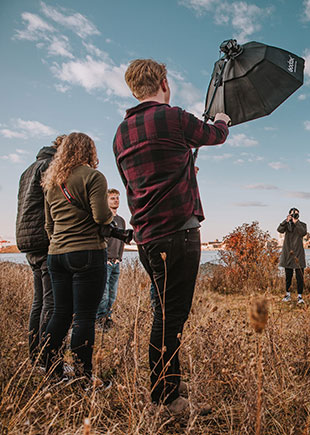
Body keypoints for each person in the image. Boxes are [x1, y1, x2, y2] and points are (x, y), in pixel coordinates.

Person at [114, 58, 230, 414]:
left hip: (147, 236)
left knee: (165, 310)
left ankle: (169, 381)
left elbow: (136, 184)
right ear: (164, 82)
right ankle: (166, 399)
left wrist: (181, 165)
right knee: (170, 316)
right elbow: (216, 135)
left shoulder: (121, 133)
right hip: (178, 232)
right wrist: (223, 119)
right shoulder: (174, 117)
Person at [41, 132, 113, 385]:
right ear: (89, 152)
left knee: (60, 314)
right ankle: (84, 378)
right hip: (86, 252)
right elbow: (102, 217)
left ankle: (51, 371)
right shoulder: (93, 177)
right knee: (84, 317)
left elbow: (49, 226)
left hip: (56, 255)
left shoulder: (52, 183)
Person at [16, 134, 66, 362]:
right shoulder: (49, 167)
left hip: (27, 240)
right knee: (51, 301)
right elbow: (52, 204)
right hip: (43, 239)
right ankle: (48, 358)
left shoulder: (28, 169)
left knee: (39, 300)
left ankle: (34, 354)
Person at [96, 188, 126, 330]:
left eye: (117, 198)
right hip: (105, 262)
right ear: (106, 201)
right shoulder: (104, 219)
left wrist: (119, 258)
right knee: (103, 293)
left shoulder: (121, 220)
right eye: (112, 198)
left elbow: (121, 242)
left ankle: (108, 318)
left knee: (112, 294)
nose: (116, 200)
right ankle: (99, 320)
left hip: (116, 262)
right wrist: (105, 258)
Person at [277, 207, 307, 304]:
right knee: (288, 276)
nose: (294, 216)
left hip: (298, 254)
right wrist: (286, 221)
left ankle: (300, 296)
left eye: (296, 214)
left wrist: (296, 222)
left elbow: (303, 233)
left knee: (300, 276)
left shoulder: (302, 225)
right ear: (289, 215)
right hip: (288, 254)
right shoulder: (286, 225)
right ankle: (288, 294)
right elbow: (279, 230)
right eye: (293, 214)